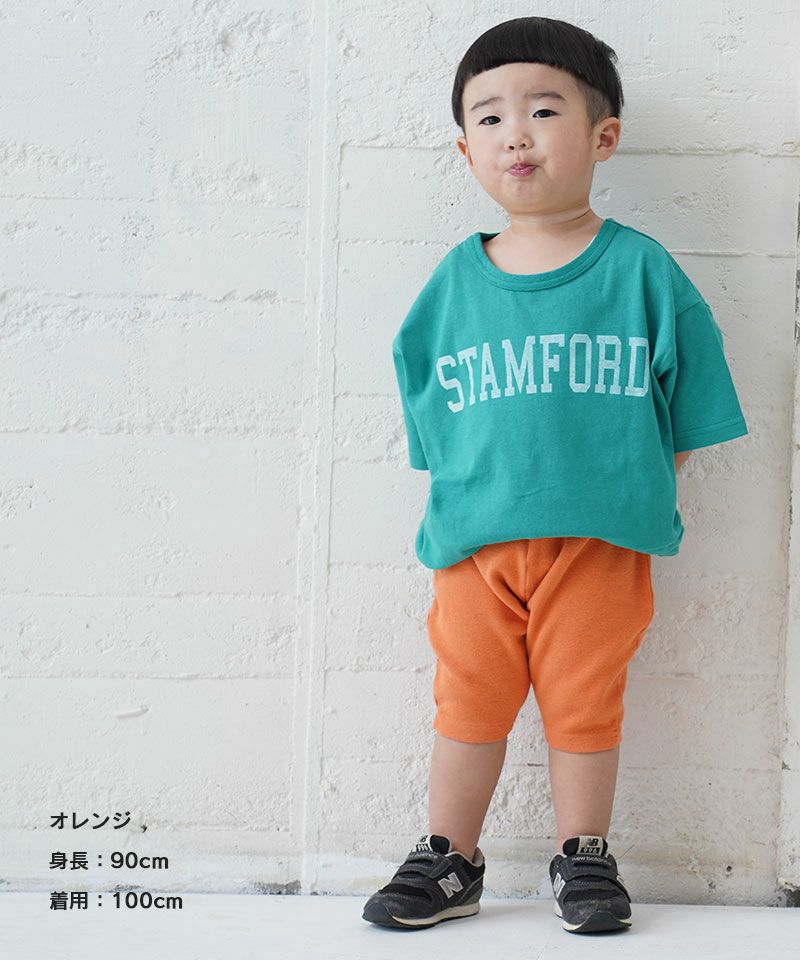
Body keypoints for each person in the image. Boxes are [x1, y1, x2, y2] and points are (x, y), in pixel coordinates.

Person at [362, 16, 748, 936]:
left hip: (600, 545)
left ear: (602, 136)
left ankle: (584, 853)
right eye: (489, 118)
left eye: (542, 110)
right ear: (466, 151)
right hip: (475, 545)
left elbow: (691, 405)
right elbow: (429, 412)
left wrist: (628, 486)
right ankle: (451, 857)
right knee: (468, 702)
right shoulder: (453, 285)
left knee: (585, 702)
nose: (517, 136)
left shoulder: (642, 271)